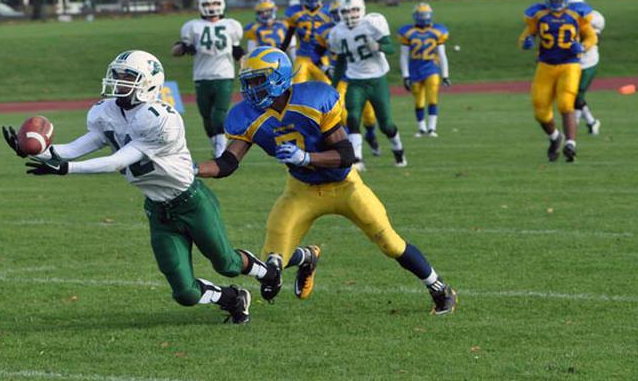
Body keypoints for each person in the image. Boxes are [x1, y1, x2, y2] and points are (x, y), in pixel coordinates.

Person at [2, 50, 267, 324]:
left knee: (227, 264)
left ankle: (267, 272)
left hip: (191, 201)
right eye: (117, 75)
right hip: (158, 210)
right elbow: (75, 148)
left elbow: (118, 161)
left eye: (128, 77)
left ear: (149, 82)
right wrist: (38, 151)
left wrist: (67, 169)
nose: (118, 81)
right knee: (184, 293)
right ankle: (233, 299)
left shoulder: (160, 118)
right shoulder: (107, 112)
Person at [195, 47, 458, 315]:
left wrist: (306, 157)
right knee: (270, 270)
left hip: (345, 186)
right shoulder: (247, 116)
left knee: (389, 242)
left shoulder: (313, 99)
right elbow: (226, 164)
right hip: (301, 191)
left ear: (278, 77)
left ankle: (439, 288)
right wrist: (191, 169)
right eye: (247, 81)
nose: (251, 89)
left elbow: (346, 154)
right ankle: (307, 257)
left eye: (257, 80)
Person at [518, 0, 597, 162]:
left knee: (565, 103)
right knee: (540, 110)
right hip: (545, 65)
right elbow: (524, 35)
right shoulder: (537, 14)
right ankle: (555, 137)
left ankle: (571, 144)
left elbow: (591, 37)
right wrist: (526, 41)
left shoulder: (578, 13)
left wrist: (583, 47)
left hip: (569, 64)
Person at [326, 0, 406, 169]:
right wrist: (333, 85)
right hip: (355, 81)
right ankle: (357, 159)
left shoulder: (372, 23)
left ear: (362, 9)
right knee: (353, 117)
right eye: (346, 11)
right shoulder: (337, 32)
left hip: (377, 80)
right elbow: (340, 61)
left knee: (386, 125)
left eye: (354, 10)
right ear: (340, 12)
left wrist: (378, 46)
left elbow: (391, 48)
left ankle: (398, 148)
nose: (351, 14)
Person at [172, 0, 244, 158]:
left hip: (224, 75)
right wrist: (183, 47)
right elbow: (175, 50)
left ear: (222, 4)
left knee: (219, 113)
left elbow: (237, 51)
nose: (211, 7)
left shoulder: (231, 25)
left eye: (215, 3)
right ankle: (218, 146)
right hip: (202, 75)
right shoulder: (192, 26)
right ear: (200, 6)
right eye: (207, 4)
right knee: (206, 116)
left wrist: (246, 65)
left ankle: (221, 151)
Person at [314, 3, 381, 157]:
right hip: (342, 80)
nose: (340, 17)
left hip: (361, 78)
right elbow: (315, 55)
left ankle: (370, 135)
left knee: (369, 115)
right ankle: (351, 149)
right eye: (336, 14)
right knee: (344, 114)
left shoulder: (363, 28)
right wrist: (325, 68)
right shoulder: (326, 32)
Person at [397, 3, 451, 137]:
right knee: (419, 100)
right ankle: (422, 128)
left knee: (432, 97)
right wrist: (405, 75)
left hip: (431, 67)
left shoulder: (438, 31)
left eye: (426, 15)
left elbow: (442, 55)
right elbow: (403, 56)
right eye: (421, 15)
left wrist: (445, 75)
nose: (424, 18)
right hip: (414, 69)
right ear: (415, 16)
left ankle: (432, 128)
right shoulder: (408, 32)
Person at [568, 0, 604, 135]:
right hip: (570, 62)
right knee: (570, 95)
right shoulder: (563, 17)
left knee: (577, 95)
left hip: (588, 62)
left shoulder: (595, 18)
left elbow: (597, 39)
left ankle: (572, 131)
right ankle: (592, 122)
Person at [281, 0, 331, 83]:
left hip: (321, 57)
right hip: (302, 56)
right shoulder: (295, 12)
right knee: (297, 86)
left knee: (328, 86)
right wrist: (281, 50)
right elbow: (289, 34)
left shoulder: (328, 11)